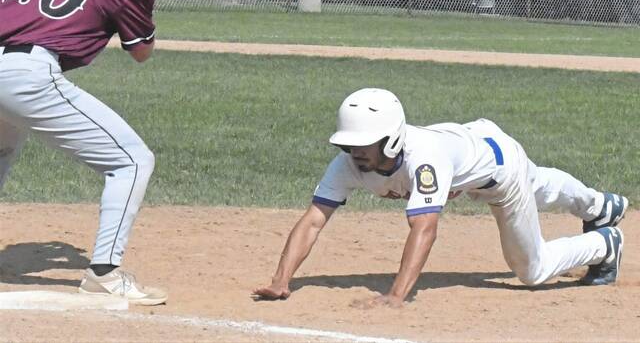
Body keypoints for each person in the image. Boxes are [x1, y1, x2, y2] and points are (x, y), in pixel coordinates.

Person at [253, 88, 627, 307]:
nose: (354, 153)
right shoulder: (348, 163)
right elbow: (314, 219)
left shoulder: (424, 160)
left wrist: (396, 296)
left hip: (500, 175)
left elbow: (425, 229)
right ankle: (601, 205)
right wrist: (281, 279)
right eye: (348, 144)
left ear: (392, 139)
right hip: (480, 143)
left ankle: (605, 244)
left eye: (363, 144)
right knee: (540, 183)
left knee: (532, 270)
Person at [0, 0, 166, 305]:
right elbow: (141, 53)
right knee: (132, 161)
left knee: (2, 151)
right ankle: (105, 273)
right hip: (26, 74)